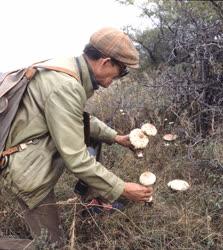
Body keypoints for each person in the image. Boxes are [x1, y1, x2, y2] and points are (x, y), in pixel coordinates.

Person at [0, 27, 153, 249]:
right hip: (26, 171)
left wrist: (116, 137)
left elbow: (77, 119)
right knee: (53, 246)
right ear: (105, 62)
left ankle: (92, 201)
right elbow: (77, 160)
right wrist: (121, 188)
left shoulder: (70, 67)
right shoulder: (65, 85)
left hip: (28, 148)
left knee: (93, 137)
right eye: (121, 71)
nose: (119, 78)